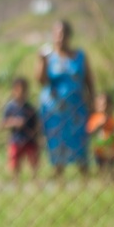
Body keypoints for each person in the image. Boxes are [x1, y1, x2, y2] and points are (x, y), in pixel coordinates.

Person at [35, 19, 95, 178]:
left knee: (79, 141)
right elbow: (41, 81)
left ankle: (85, 176)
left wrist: (93, 102)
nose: (59, 37)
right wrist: (41, 61)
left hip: (76, 108)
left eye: (62, 34)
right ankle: (58, 175)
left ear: (69, 35)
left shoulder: (79, 57)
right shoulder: (48, 58)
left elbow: (89, 81)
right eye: (56, 34)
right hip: (54, 110)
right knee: (56, 141)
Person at [1, 76, 41, 180]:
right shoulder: (10, 108)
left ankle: (35, 178)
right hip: (16, 139)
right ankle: (16, 180)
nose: (21, 93)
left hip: (29, 139)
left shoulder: (30, 108)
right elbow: (4, 123)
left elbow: (36, 123)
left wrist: (36, 134)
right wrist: (15, 122)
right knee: (14, 161)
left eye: (24, 90)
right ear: (13, 91)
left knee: (33, 160)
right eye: (18, 90)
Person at [87, 91, 114, 178]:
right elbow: (90, 131)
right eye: (100, 104)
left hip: (112, 148)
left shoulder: (112, 118)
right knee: (101, 166)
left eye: (105, 104)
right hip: (100, 149)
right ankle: (102, 179)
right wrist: (100, 125)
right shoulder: (95, 118)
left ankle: (113, 179)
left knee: (112, 166)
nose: (103, 107)